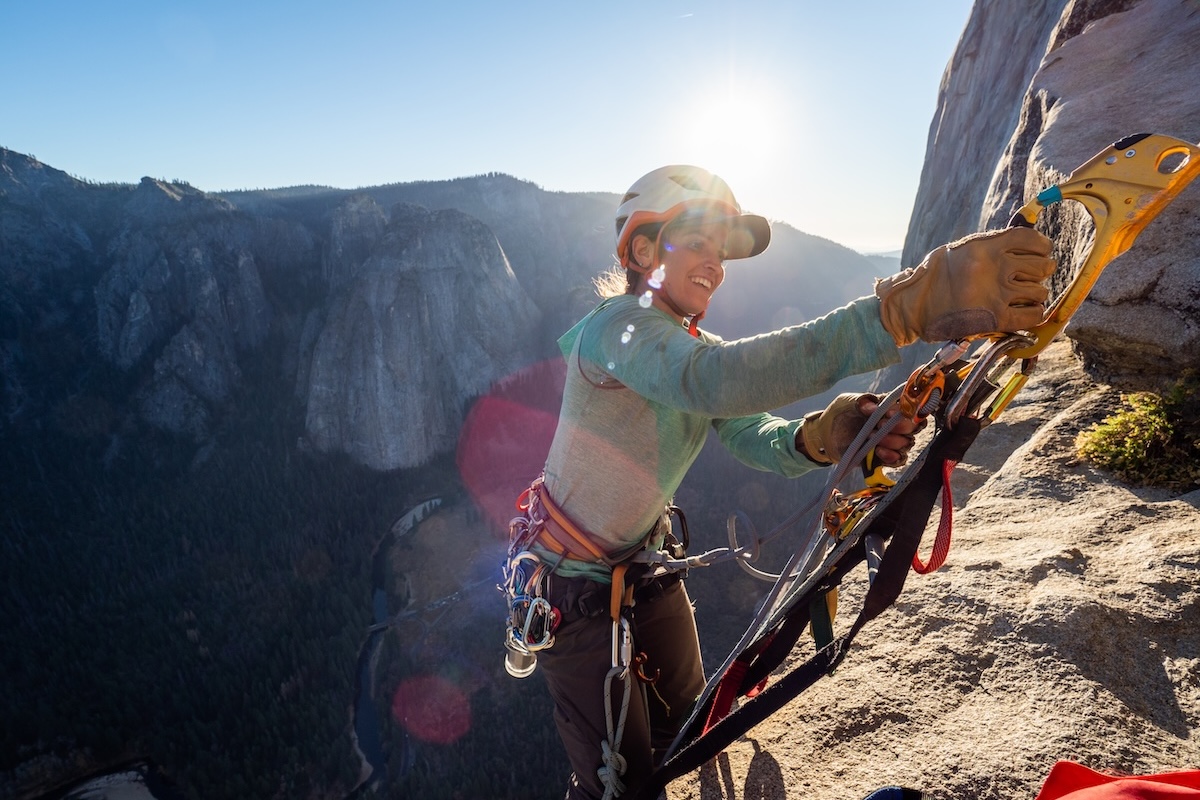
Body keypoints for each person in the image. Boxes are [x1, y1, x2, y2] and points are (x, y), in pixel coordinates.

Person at [504, 165, 1056, 799]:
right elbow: (713, 382)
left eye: (722, 250)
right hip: (570, 594)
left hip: (647, 565)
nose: (714, 263)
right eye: (698, 242)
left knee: (692, 724)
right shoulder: (616, 329)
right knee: (618, 783)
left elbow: (751, 432)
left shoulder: (690, 348)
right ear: (641, 250)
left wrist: (822, 436)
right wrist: (897, 313)